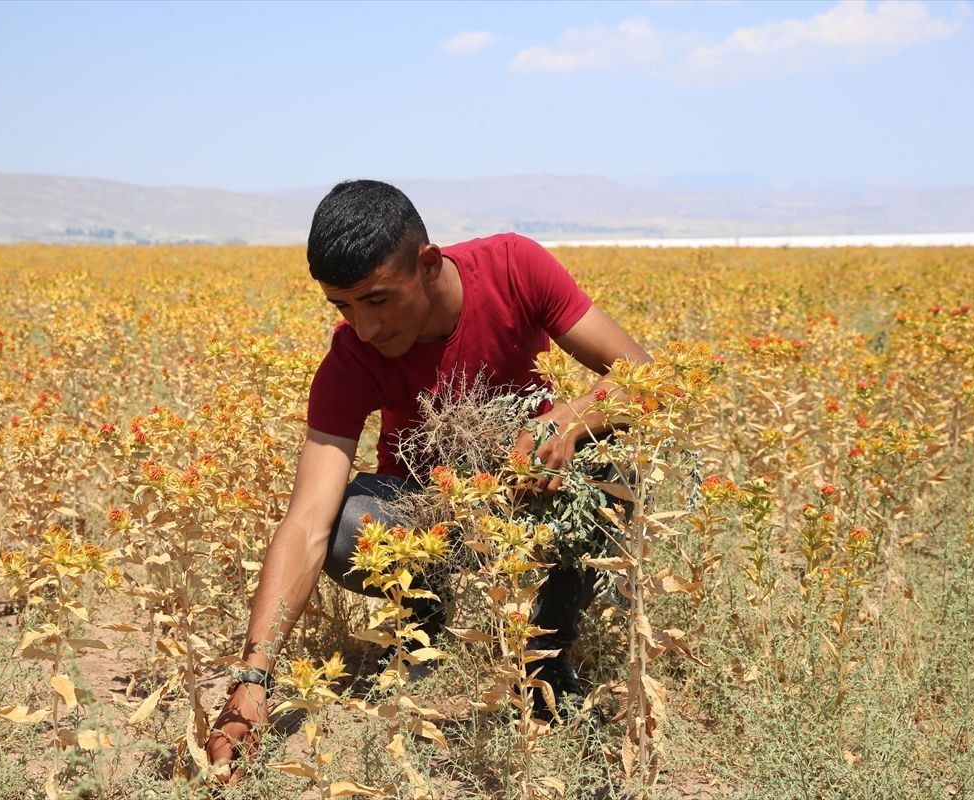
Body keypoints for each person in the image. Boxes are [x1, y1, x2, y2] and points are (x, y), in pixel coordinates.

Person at [206, 179, 651, 775]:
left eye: (378, 300)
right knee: (346, 524)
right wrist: (251, 682)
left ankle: (545, 654)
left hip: (529, 494)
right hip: (432, 517)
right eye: (343, 307)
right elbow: (308, 521)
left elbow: (643, 376)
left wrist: (571, 419)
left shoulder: (514, 268)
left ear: (428, 264)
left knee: (609, 464)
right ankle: (425, 624)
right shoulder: (351, 359)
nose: (364, 328)